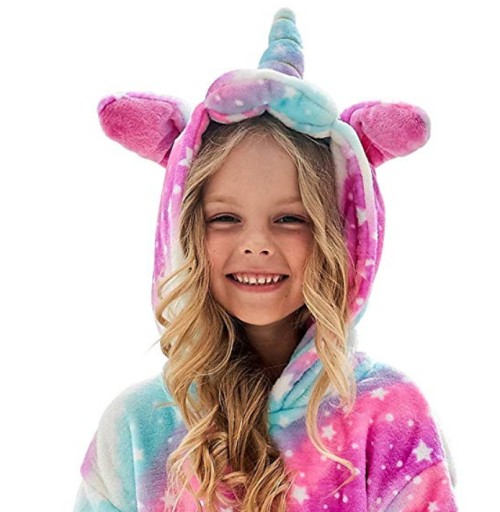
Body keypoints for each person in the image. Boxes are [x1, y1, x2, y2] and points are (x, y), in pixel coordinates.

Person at [73, 8, 458, 512]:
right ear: (185, 232)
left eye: (291, 219)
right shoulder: (138, 425)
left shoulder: (386, 413)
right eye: (225, 218)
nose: (256, 244)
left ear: (340, 238)